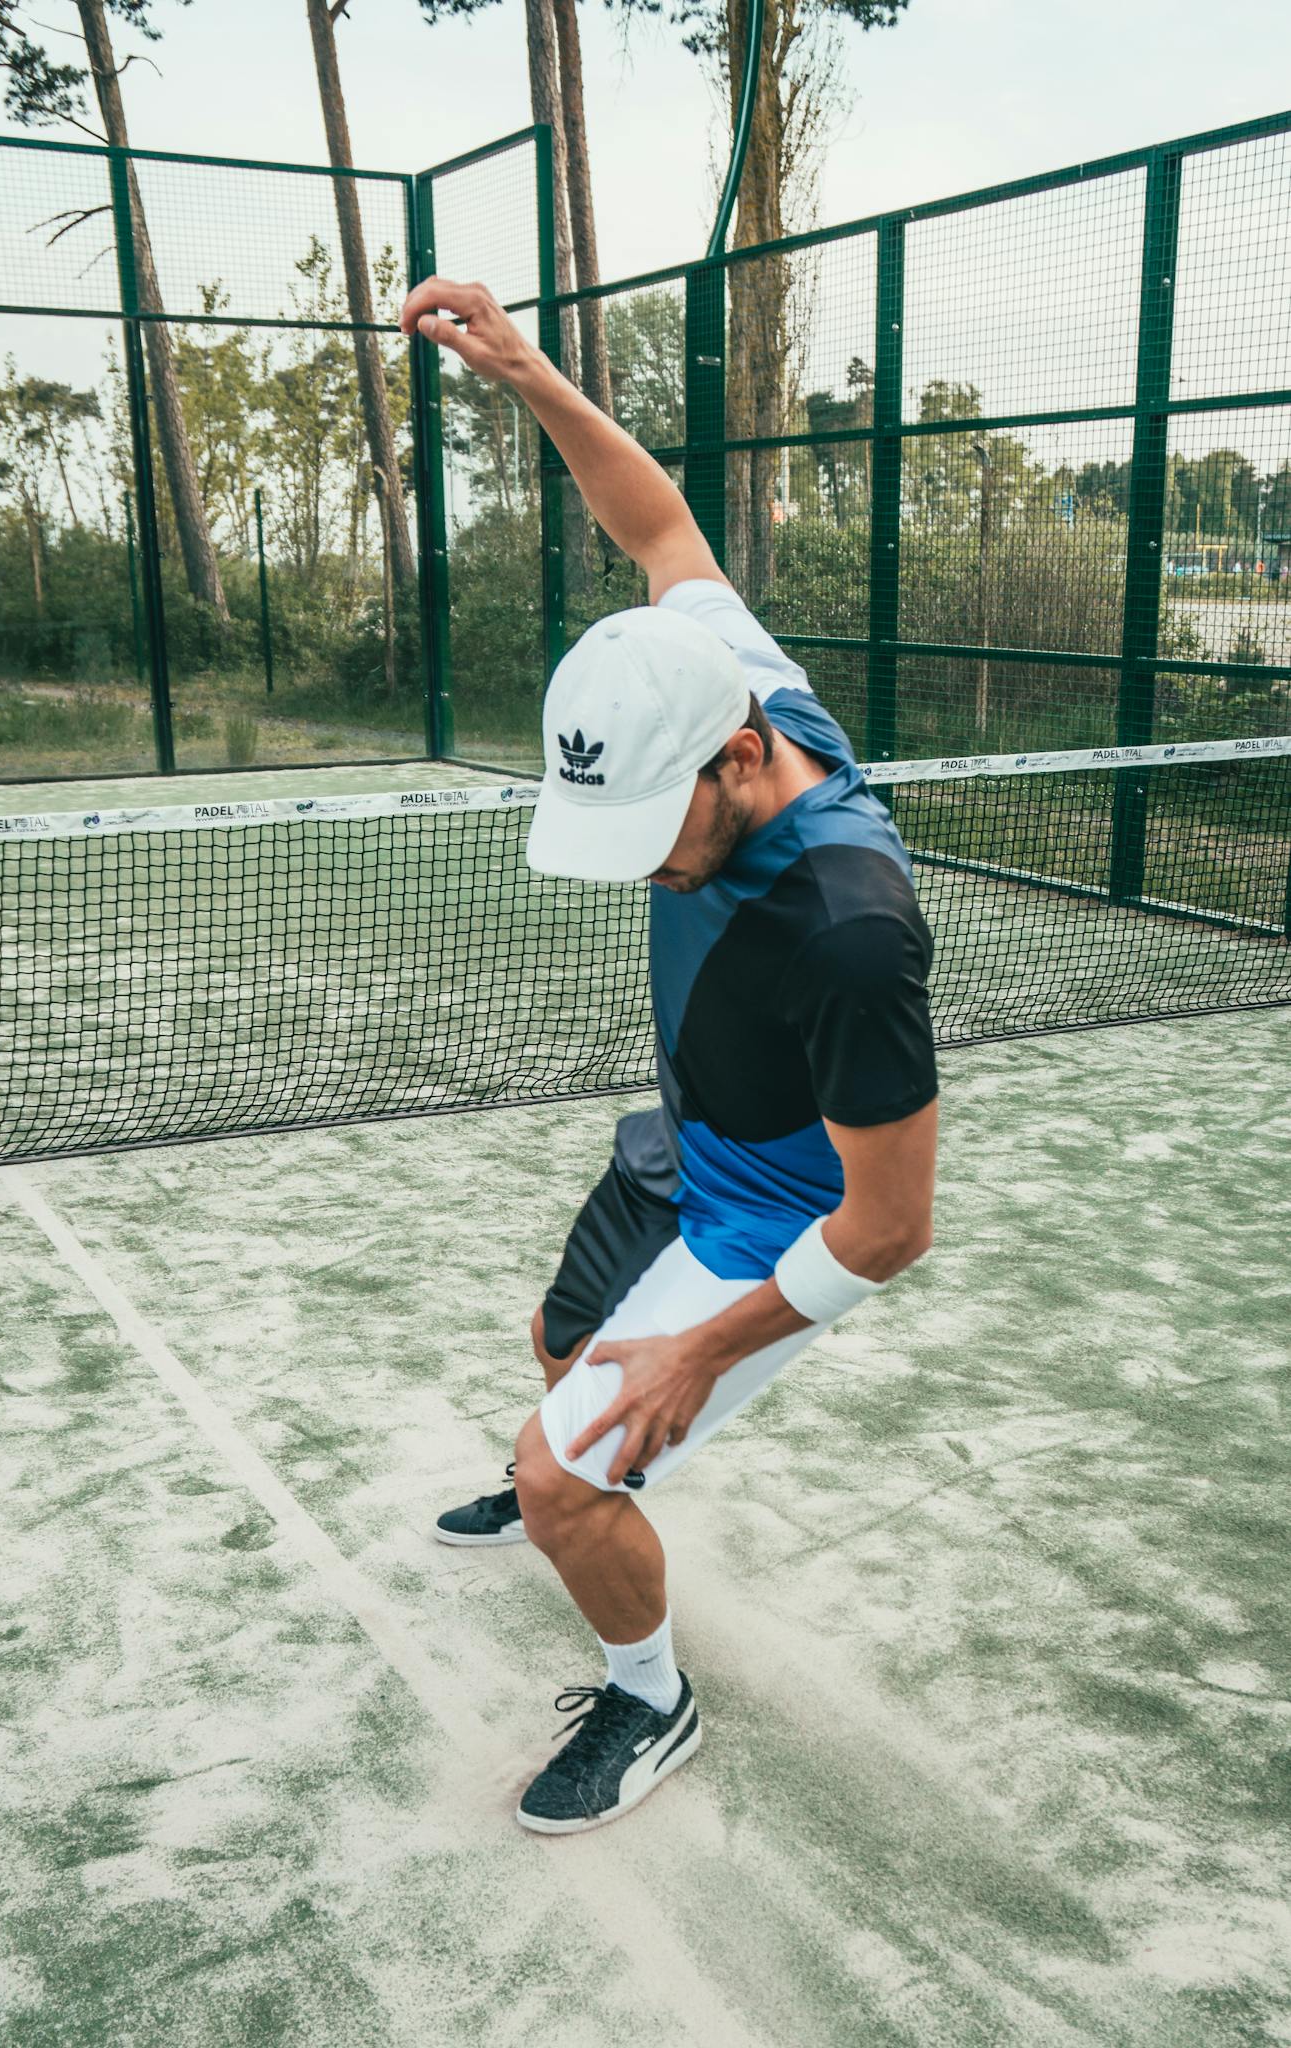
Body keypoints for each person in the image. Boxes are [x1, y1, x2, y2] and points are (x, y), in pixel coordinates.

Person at [400, 277, 939, 1836]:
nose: (641, 864)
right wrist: (526, 369)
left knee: (562, 1477)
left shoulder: (847, 932)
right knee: (558, 1344)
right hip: (685, 1139)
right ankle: (573, 1472)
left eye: (656, 827)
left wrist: (702, 1350)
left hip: (772, 1220)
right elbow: (660, 529)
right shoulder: (720, 671)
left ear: (740, 756)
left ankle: (650, 1699)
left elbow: (888, 1229)